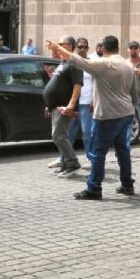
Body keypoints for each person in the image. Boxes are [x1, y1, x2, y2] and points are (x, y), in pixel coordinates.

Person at [45, 35, 138, 200]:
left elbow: (75, 60)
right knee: (122, 150)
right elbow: (134, 93)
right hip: (126, 113)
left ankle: (94, 188)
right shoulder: (127, 65)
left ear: (104, 48)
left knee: (97, 152)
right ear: (118, 47)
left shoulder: (104, 63)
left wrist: (57, 48)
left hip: (108, 114)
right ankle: (127, 185)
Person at [45, 36, 84, 177]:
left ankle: (73, 163)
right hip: (56, 106)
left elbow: (77, 85)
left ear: (70, 46)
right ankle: (65, 163)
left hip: (65, 107)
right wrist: (50, 105)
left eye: (61, 43)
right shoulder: (63, 62)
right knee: (59, 136)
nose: (58, 45)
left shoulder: (74, 63)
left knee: (58, 136)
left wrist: (71, 105)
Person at [66, 38, 95, 163]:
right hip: (73, 104)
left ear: (88, 49)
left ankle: (91, 158)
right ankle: (65, 158)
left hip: (86, 103)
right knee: (69, 133)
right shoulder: (72, 63)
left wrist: (94, 100)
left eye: (85, 47)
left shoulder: (92, 64)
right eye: (80, 47)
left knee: (87, 133)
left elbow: (96, 83)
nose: (82, 49)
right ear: (76, 48)